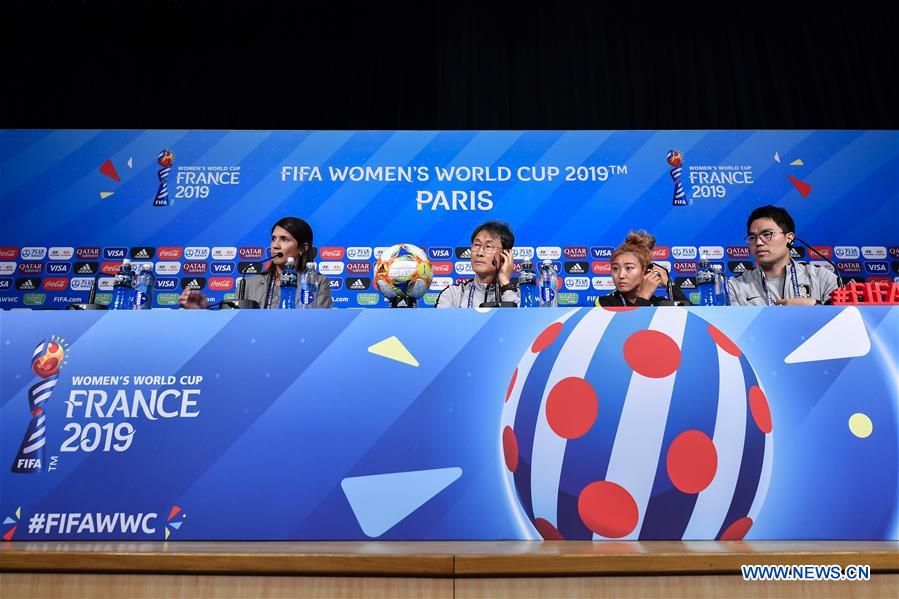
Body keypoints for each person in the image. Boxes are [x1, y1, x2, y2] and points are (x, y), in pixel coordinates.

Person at [179, 216, 333, 309]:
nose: (275, 245)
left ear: (302, 248)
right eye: (273, 238)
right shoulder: (249, 283)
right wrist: (203, 309)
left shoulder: (318, 282)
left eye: (284, 239)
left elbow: (321, 325)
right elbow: (231, 325)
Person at [727, 205, 838, 306]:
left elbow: (846, 318)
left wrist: (814, 305)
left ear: (789, 238)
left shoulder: (821, 277)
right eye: (752, 237)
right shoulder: (735, 287)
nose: (758, 242)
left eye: (767, 234)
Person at [596, 231, 691, 307]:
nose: (621, 275)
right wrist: (643, 298)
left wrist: (670, 286)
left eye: (629, 268)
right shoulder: (604, 303)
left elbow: (690, 320)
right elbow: (629, 329)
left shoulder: (659, 303)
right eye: (615, 268)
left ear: (645, 271)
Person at [436, 221, 519, 308]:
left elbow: (516, 320)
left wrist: (505, 284)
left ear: (505, 255)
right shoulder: (453, 294)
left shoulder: (517, 295)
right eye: (476, 245)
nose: (479, 252)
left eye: (488, 246)